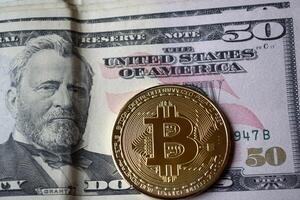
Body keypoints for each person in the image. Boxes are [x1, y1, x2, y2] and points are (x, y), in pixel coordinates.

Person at [0, 34, 120, 195]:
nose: (66, 102)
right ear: (13, 100)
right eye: (48, 87)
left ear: (89, 101)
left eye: (76, 90)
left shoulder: (114, 167)